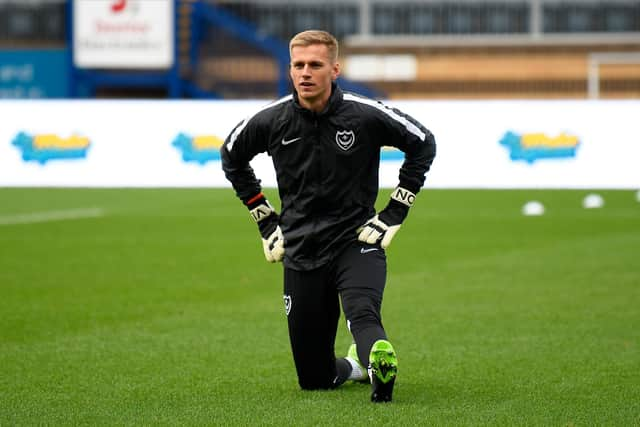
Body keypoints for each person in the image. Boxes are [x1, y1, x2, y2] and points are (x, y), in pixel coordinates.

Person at [221, 30, 436, 402]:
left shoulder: (364, 114)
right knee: (314, 379)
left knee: (362, 314)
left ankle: (381, 369)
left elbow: (422, 142)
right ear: (290, 70)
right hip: (301, 249)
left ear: (334, 69)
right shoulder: (271, 121)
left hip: (357, 241)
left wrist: (396, 210)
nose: (305, 73)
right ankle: (357, 367)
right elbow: (231, 155)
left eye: (315, 65)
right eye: (298, 65)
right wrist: (264, 216)